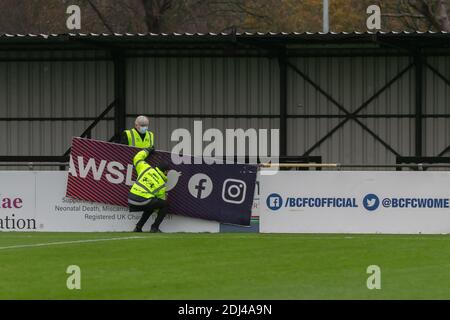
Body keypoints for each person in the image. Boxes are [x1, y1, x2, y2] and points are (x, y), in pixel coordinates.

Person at [128, 147, 169, 233]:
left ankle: (138, 227)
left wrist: (148, 150)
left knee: (151, 205)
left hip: (131, 199)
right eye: (167, 172)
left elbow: (137, 158)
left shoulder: (146, 168)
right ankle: (154, 227)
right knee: (164, 205)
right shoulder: (162, 184)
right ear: (165, 172)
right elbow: (160, 201)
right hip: (143, 201)